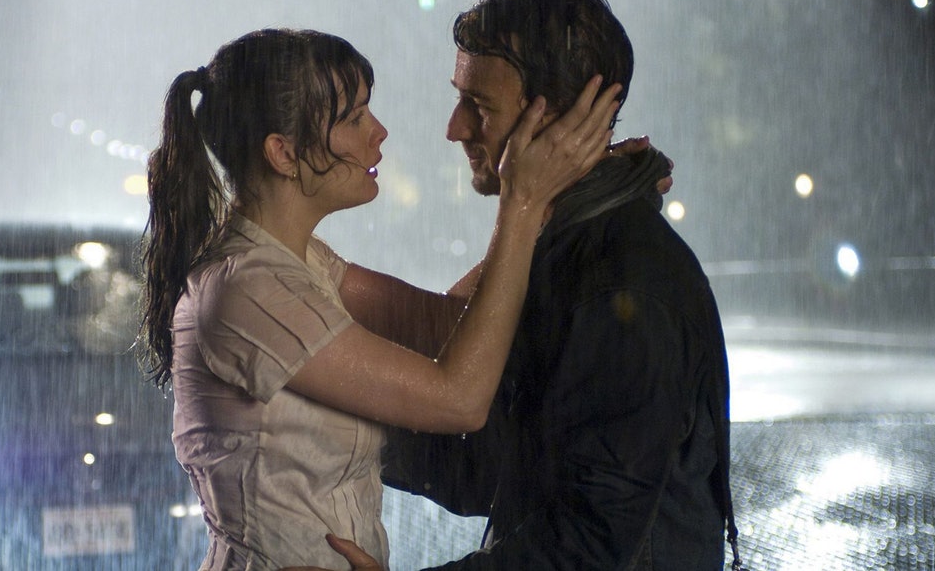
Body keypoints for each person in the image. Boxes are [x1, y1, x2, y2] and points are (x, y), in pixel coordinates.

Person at [138, 28, 631, 570]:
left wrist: (566, 196)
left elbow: (446, 323)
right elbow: (459, 399)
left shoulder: (299, 263)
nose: (379, 131)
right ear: (283, 153)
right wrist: (523, 200)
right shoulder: (248, 291)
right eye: (353, 119)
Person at [299, 0, 743, 571]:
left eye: (479, 106)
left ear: (560, 120)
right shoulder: (567, 252)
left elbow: (587, 545)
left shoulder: (620, 286)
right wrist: (325, 430)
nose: (455, 128)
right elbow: (498, 469)